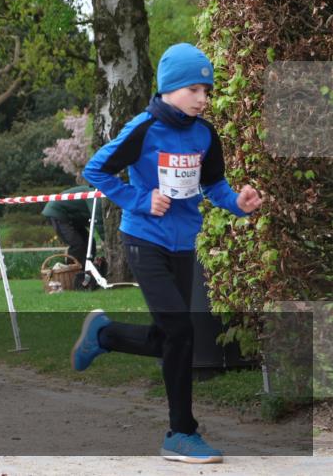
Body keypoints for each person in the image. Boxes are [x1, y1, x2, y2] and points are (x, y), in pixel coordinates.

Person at [74, 43, 263, 464]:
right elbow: (96, 169)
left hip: (183, 243)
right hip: (144, 240)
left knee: (169, 337)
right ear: (171, 88)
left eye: (208, 90)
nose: (204, 98)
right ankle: (181, 433)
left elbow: (214, 186)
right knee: (181, 333)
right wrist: (140, 200)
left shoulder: (205, 134)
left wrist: (240, 204)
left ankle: (103, 334)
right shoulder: (143, 128)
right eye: (196, 88)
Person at [42, 183, 107, 289]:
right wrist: (107, 241)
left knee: (90, 244)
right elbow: (99, 221)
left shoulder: (98, 194)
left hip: (71, 217)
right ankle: (72, 278)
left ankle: (87, 273)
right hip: (57, 213)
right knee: (77, 244)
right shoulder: (96, 196)